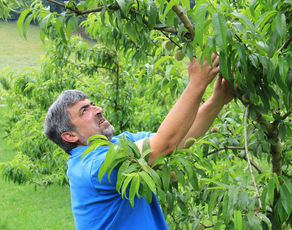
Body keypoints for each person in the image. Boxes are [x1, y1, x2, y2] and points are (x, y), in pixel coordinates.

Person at [44, 54, 234, 230]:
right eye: (84, 110)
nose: (98, 109)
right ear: (70, 136)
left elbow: (176, 139)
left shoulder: (118, 145)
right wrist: (196, 83)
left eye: (92, 104)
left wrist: (218, 99)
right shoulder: (93, 167)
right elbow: (162, 148)